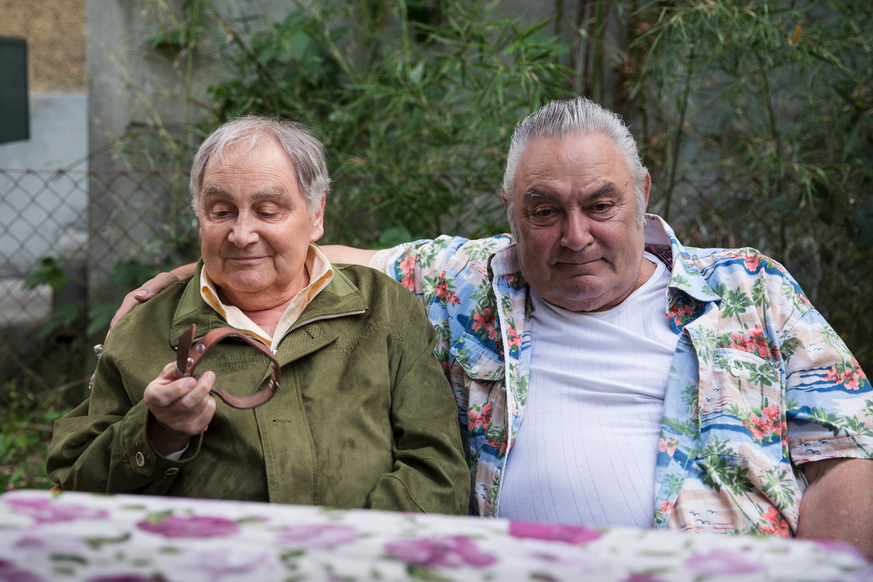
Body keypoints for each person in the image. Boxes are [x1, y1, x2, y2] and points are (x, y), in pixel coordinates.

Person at [113, 99, 873, 558]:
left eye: (599, 205)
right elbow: (314, 254)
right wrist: (201, 270)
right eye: (543, 211)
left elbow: (841, 460)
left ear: (641, 194)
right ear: (511, 211)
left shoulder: (749, 292)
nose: (574, 234)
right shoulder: (465, 281)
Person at [47, 116, 469, 514]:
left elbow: (437, 468)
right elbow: (75, 483)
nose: (242, 234)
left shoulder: (384, 308)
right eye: (221, 211)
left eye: (268, 211)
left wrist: (349, 554)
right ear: (199, 215)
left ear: (316, 214)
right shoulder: (143, 327)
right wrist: (159, 431)